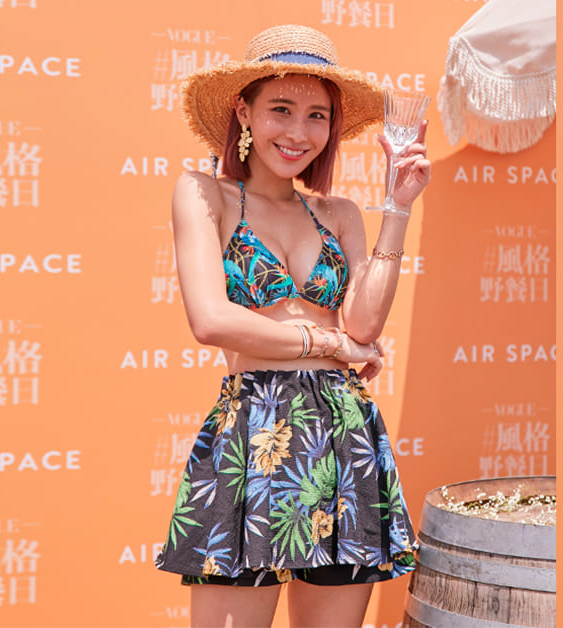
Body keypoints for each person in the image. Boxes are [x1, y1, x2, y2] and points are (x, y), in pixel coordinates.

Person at [153, 25, 430, 627]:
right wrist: (331, 342)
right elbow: (211, 320)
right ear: (243, 111)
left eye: (316, 116)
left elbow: (364, 322)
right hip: (253, 429)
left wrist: (398, 204)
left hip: (344, 431)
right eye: (281, 109)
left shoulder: (340, 213)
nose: (298, 132)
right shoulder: (204, 194)